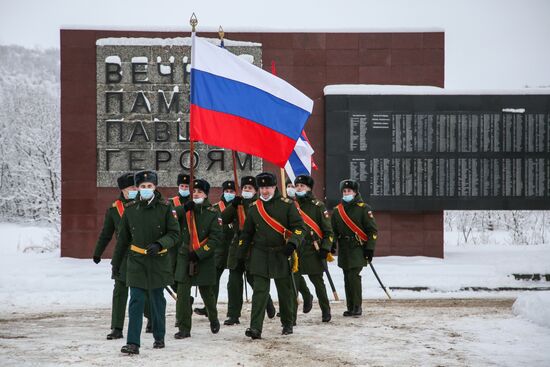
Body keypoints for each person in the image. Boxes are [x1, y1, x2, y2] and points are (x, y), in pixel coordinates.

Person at [111, 170, 180, 354]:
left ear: (155, 187)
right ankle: (133, 343)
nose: (146, 189)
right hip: (136, 261)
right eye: (142, 186)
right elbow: (123, 239)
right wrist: (115, 263)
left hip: (158, 260)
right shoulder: (131, 209)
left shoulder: (166, 207)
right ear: (138, 188)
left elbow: (175, 234)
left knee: (157, 301)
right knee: (136, 301)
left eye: (149, 186)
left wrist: (160, 244)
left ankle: (159, 336)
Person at [239, 172, 305, 339]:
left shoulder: (287, 205)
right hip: (260, 254)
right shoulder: (254, 207)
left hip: (282, 252)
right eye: (262, 188)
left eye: (268, 187)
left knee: (285, 291)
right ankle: (255, 328)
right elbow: (247, 233)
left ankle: (287, 322)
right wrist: (241, 253)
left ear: (275, 187)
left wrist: (292, 243)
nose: (265, 191)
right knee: (260, 292)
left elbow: (299, 227)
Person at [93, 173, 141, 340]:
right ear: (123, 190)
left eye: (136, 187)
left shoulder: (144, 206)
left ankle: (151, 319)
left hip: (142, 255)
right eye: (131, 188)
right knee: (120, 292)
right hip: (122, 257)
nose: (135, 191)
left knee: (146, 291)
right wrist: (98, 252)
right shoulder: (114, 210)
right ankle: (117, 327)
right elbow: (106, 234)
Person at [222, 176, 276, 326]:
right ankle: (233, 314)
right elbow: (223, 219)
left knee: (254, 280)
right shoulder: (237, 204)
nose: (246, 191)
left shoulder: (259, 205)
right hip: (237, 246)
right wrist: (233, 206)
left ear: (256, 191)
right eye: (245, 188)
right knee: (233, 281)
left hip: (254, 247)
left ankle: (268, 303)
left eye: (250, 189)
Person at [173, 179, 223, 339]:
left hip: (204, 257)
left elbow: (216, 239)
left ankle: (213, 318)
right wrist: (184, 208)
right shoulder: (184, 209)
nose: (196, 194)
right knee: (182, 293)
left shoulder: (213, 213)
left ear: (206, 194)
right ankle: (184, 328)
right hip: (184, 256)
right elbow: (169, 217)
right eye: (194, 191)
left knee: (207, 292)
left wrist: (200, 253)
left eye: (199, 192)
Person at [331, 179, 378, 317]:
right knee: (347, 277)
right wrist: (332, 243)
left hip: (358, 247)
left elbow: (372, 231)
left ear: (355, 192)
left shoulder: (364, 208)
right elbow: (333, 230)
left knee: (354, 276)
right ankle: (350, 307)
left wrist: (370, 248)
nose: (346, 193)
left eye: (349, 191)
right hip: (344, 248)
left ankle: (357, 306)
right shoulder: (337, 210)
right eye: (344, 191)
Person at [293, 175, 334, 322]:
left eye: (302, 186)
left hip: (313, 250)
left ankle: (325, 310)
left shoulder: (318, 206)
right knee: (293, 285)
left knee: (318, 283)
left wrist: (325, 248)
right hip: (296, 250)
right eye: (297, 185)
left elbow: (328, 231)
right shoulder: (291, 205)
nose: (299, 188)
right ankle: (291, 317)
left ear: (309, 188)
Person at [194, 180, 234, 317]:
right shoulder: (216, 208)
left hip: (235, 248)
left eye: (232, 191)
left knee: (240, 280)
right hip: (220, 249)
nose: (229, 194)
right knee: (214, 280)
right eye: (227, 191)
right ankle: (209, 306)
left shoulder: (239, 206)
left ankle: (268, 304)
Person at [286, 177, 313, 316]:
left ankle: (291, 311)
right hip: (285, 242)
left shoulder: (300, 204)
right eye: (289, 185)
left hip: (299, 242)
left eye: (294, 185)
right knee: (290, 273)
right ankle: (305, 296)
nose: (292, 188)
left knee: (293, 273)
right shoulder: (283, 202)